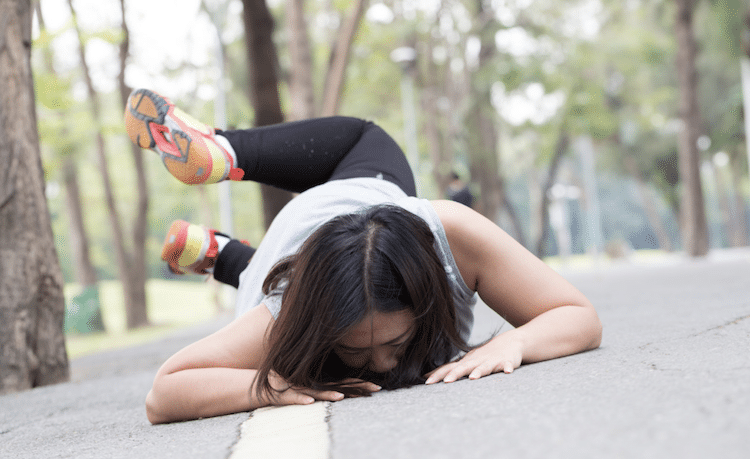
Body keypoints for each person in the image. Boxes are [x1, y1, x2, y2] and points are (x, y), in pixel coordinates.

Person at [125, 88, 602, 425]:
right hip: (293, 249)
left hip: (348, 204)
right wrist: (269, 384)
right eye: (353, 349)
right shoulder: (288, 304)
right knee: (269, 270)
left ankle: (223, 229)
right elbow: (163, 394)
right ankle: (222, 219)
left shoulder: (452, 234)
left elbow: (578, 315)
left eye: (395, 344)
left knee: (365, 142)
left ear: (425, 297)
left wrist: (512, 343)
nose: (379, 366)